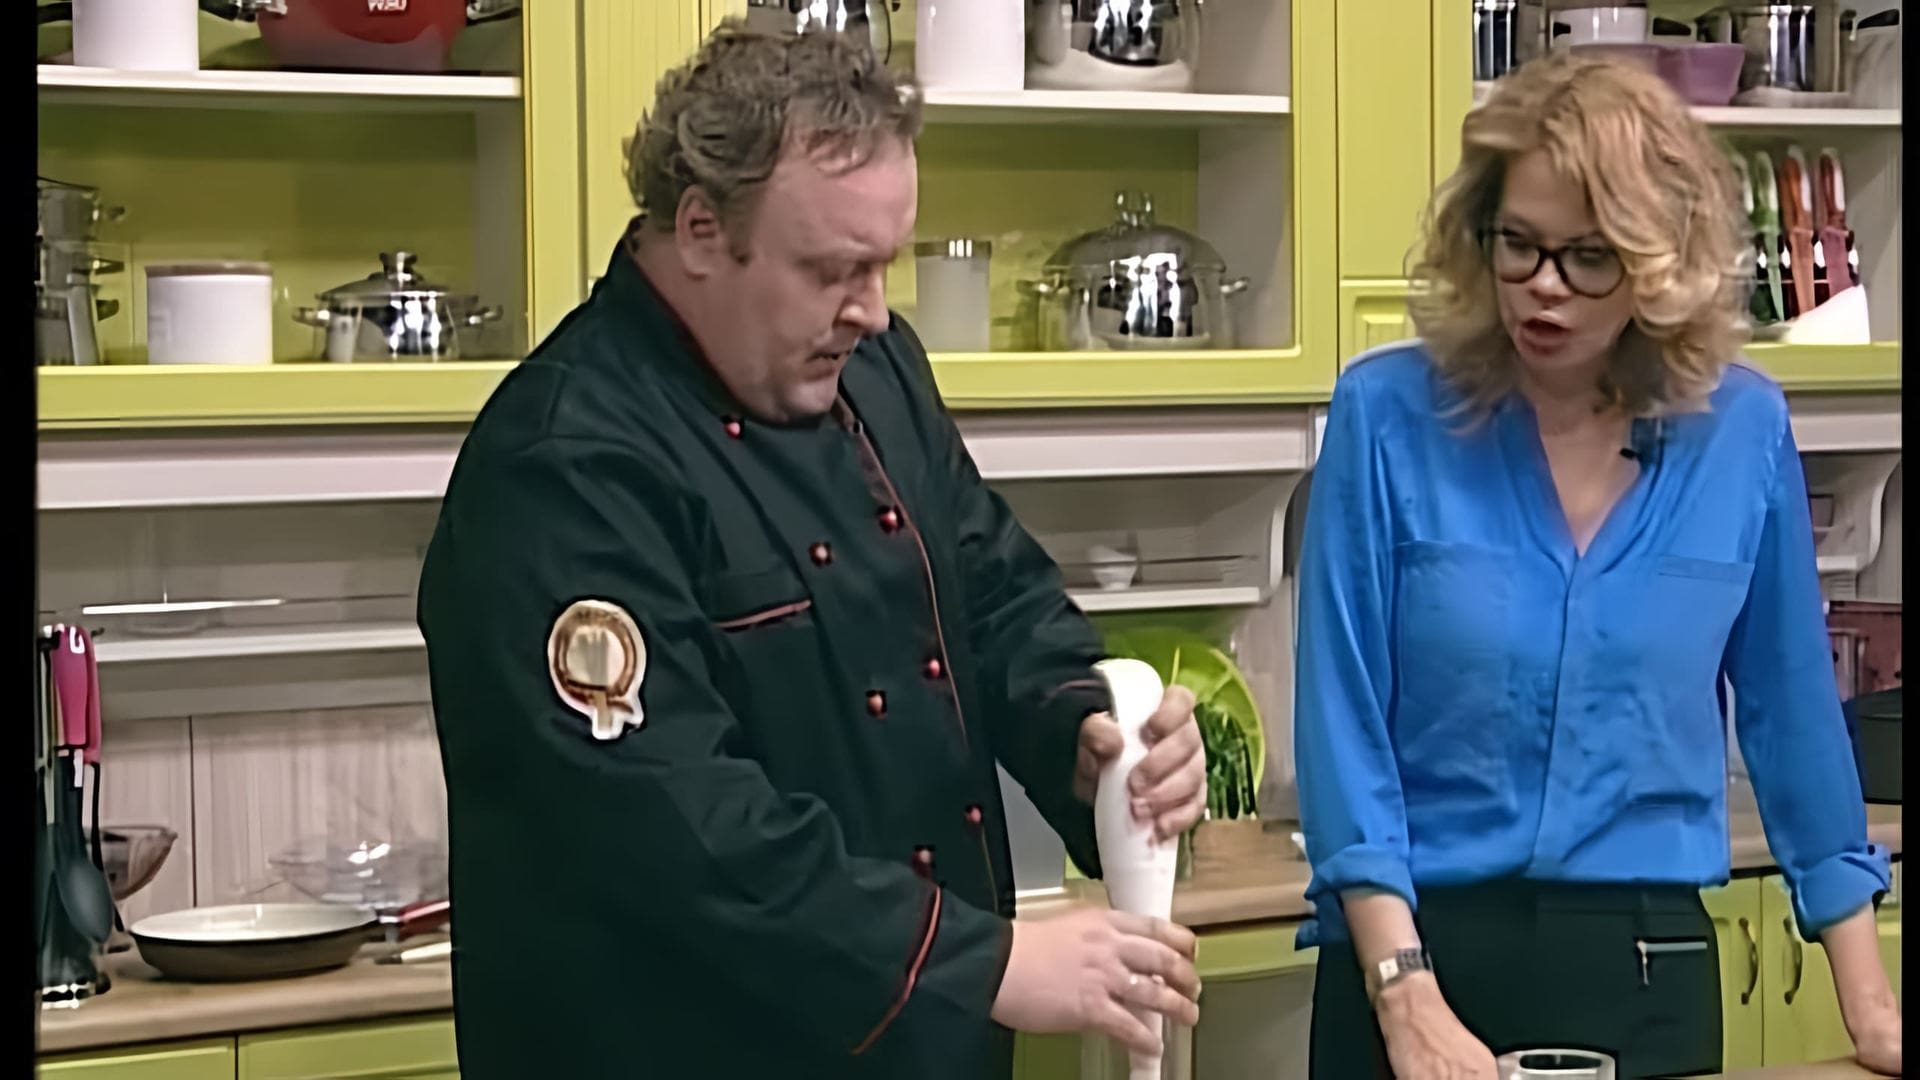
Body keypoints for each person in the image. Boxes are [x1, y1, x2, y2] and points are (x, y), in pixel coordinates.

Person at [416, 22, 1209, 1080]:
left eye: (885, 265)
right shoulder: (564, 467)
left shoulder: (876, 374)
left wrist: (1083, 735)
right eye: (834, 269)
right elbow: (678, 828)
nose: (872, 312)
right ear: (702, 229)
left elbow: (992, 593)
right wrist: (984, 961)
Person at [1292, 52, 1902, 1080]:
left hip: (1646, 967)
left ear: (1660, 262)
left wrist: (1871, 1004)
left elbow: (1792, 719)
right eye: (1518, 245)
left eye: (1589, 257)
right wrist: (1402, 993)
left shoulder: (1742, 433)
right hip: (1414, 954)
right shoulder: (1386, 417)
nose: (1544, 285)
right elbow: (1342, 722)